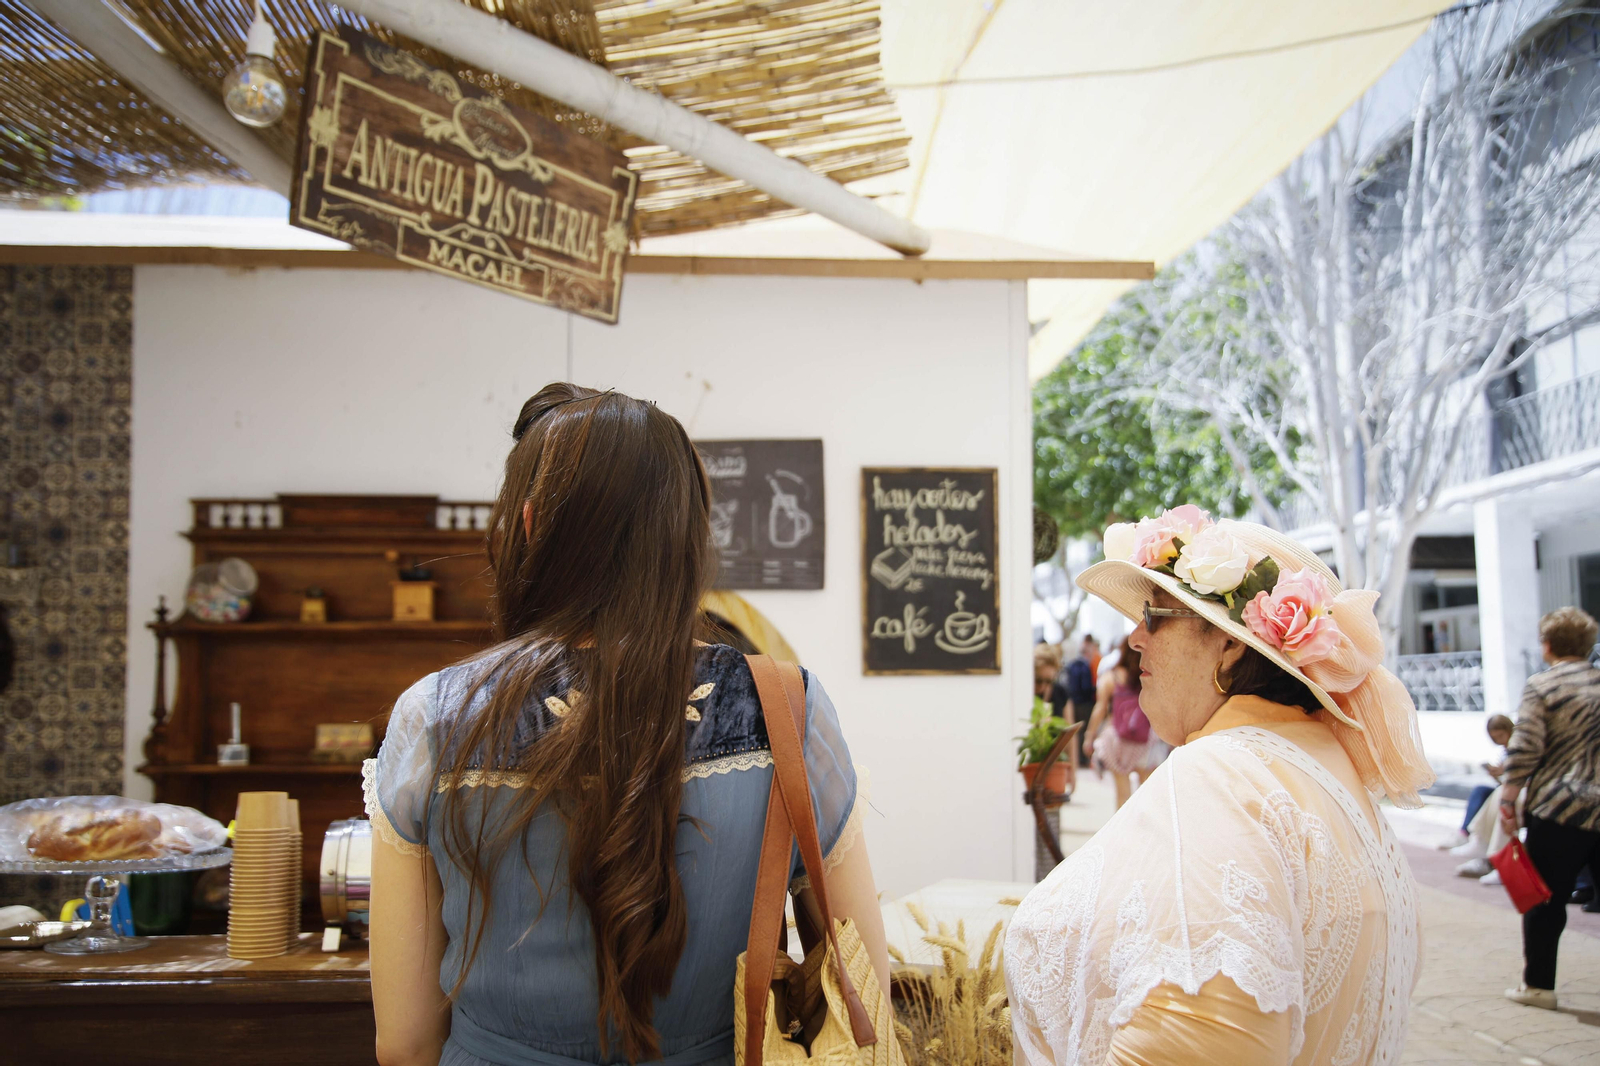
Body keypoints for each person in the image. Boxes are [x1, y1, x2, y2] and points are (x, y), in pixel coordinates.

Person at [365, 384, 891, 1066]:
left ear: (527, 527)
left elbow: (404, 1042)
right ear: (689, 535)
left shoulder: (434, 719)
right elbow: (862, 988)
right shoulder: (788, 708)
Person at [1006, 506, 1432, 1065]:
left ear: (1230, 646)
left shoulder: (1220, 777)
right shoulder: (1326, 771)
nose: (1135, 638)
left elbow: (1199, 1042)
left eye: (1155, 615)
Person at [1498, 606, 1600, 1011]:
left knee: (1546, 899)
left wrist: (1509, 797)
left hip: (1559, 808)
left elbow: (1526, 748)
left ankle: (1539, 986)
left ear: (1547, 646)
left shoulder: (1543, 687)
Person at [1080, 637, 1162, 809]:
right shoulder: (1148, 678)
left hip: (1118, 740)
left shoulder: (1112, 677)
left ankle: (1124, 833)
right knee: (1145, 792)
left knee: (1122, 795)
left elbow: (1100, 708)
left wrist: (1089, 736)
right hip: (1144, 741)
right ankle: (1144, 830)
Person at [1442, 713, 1514, 871]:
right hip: (1505, 788)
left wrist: (1506, 771)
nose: (1500, 741)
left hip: (1514, 791)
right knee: (1480, 792)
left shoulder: (1519, 747)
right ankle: (1467, 834)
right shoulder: (1504, 752)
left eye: (1501, 736)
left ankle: (1491, 857)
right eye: (1495, 738)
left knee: (1499, 798)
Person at [1063, 635, 1100, 766]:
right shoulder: (1085, 665)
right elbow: (1087, 686)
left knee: (1076, 731)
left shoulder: (1072, 665)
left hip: (1074, 702)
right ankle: (1084, 758)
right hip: (1085, 704)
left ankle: (1077, 759)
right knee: (1084, 730)